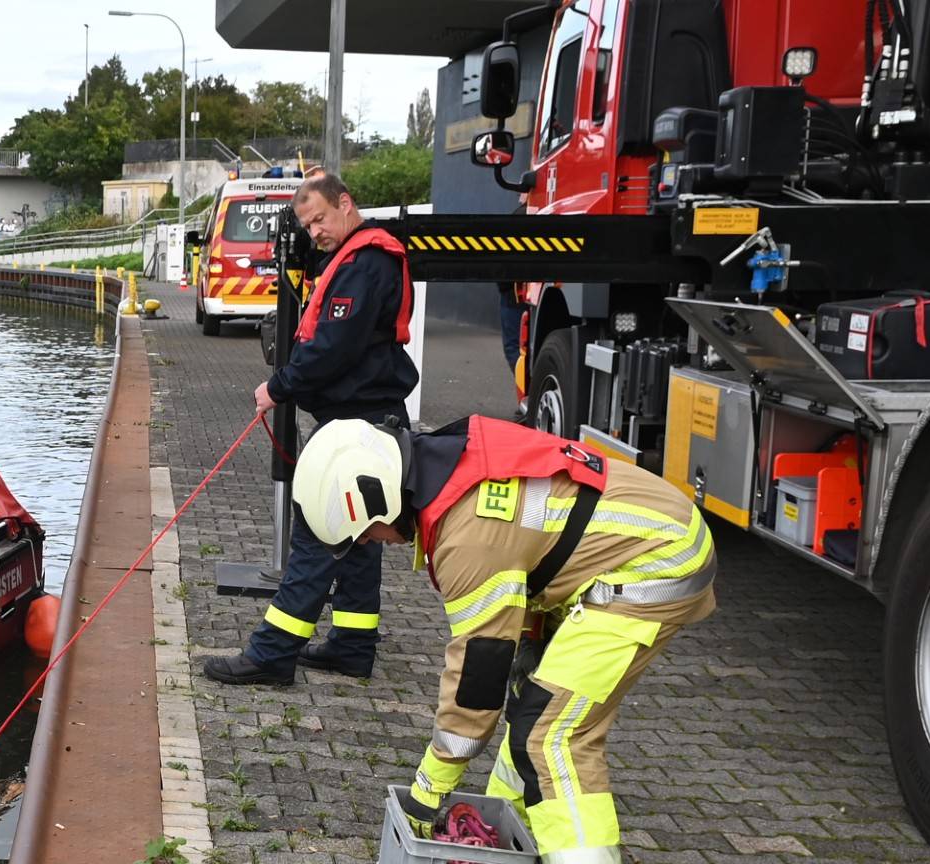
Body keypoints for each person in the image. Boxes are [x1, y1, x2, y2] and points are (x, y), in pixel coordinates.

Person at [291, 415, 716, 863]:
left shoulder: (467, 537)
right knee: (531, 703)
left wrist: (429, 788)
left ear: (374, 497)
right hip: (641, 541)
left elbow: (478, 674)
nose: (369, 544)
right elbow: (539, 542)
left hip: (656, 563)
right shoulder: (449, 464)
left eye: (361, 534)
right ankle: (511, 842)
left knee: (552, 736)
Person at [202, 173, 419, 686]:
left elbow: (334, 347)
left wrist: (280, 386)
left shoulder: (365, 264)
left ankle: (272, 654)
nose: (315, 231)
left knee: (318, 531)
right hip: (368, 418)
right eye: (306, 224)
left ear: (346, 203)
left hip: (358, 424)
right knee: (359, 536)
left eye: (320, 218)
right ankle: (352, 643)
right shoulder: (357, 260)